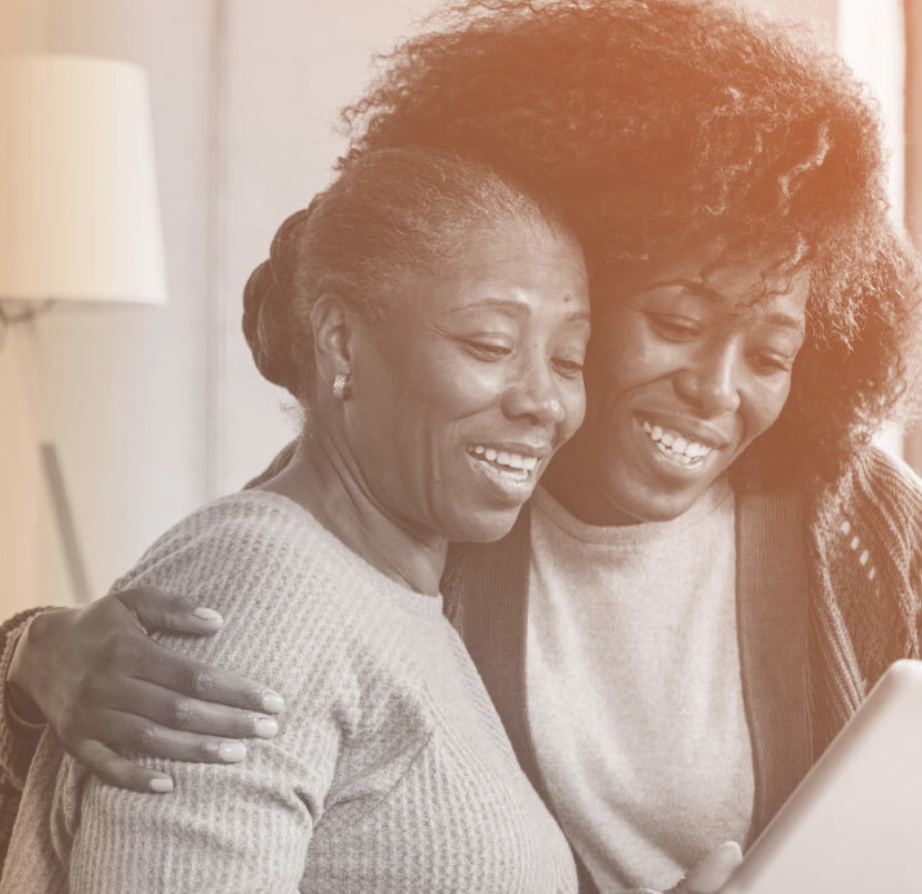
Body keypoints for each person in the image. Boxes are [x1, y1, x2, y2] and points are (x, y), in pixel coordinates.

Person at [0, 1, 922, 892]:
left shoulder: (851, 515)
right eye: (677, 323)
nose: (717, 393)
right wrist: (34, 660)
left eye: (771, 351)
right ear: (583, 287)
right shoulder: (436, 495)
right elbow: (237, 645)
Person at [0, 147, 594, 892]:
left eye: (570, 360)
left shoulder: (398, 599)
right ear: (342, 342)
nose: (544, 401)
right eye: (490, 346)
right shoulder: (264, 593)